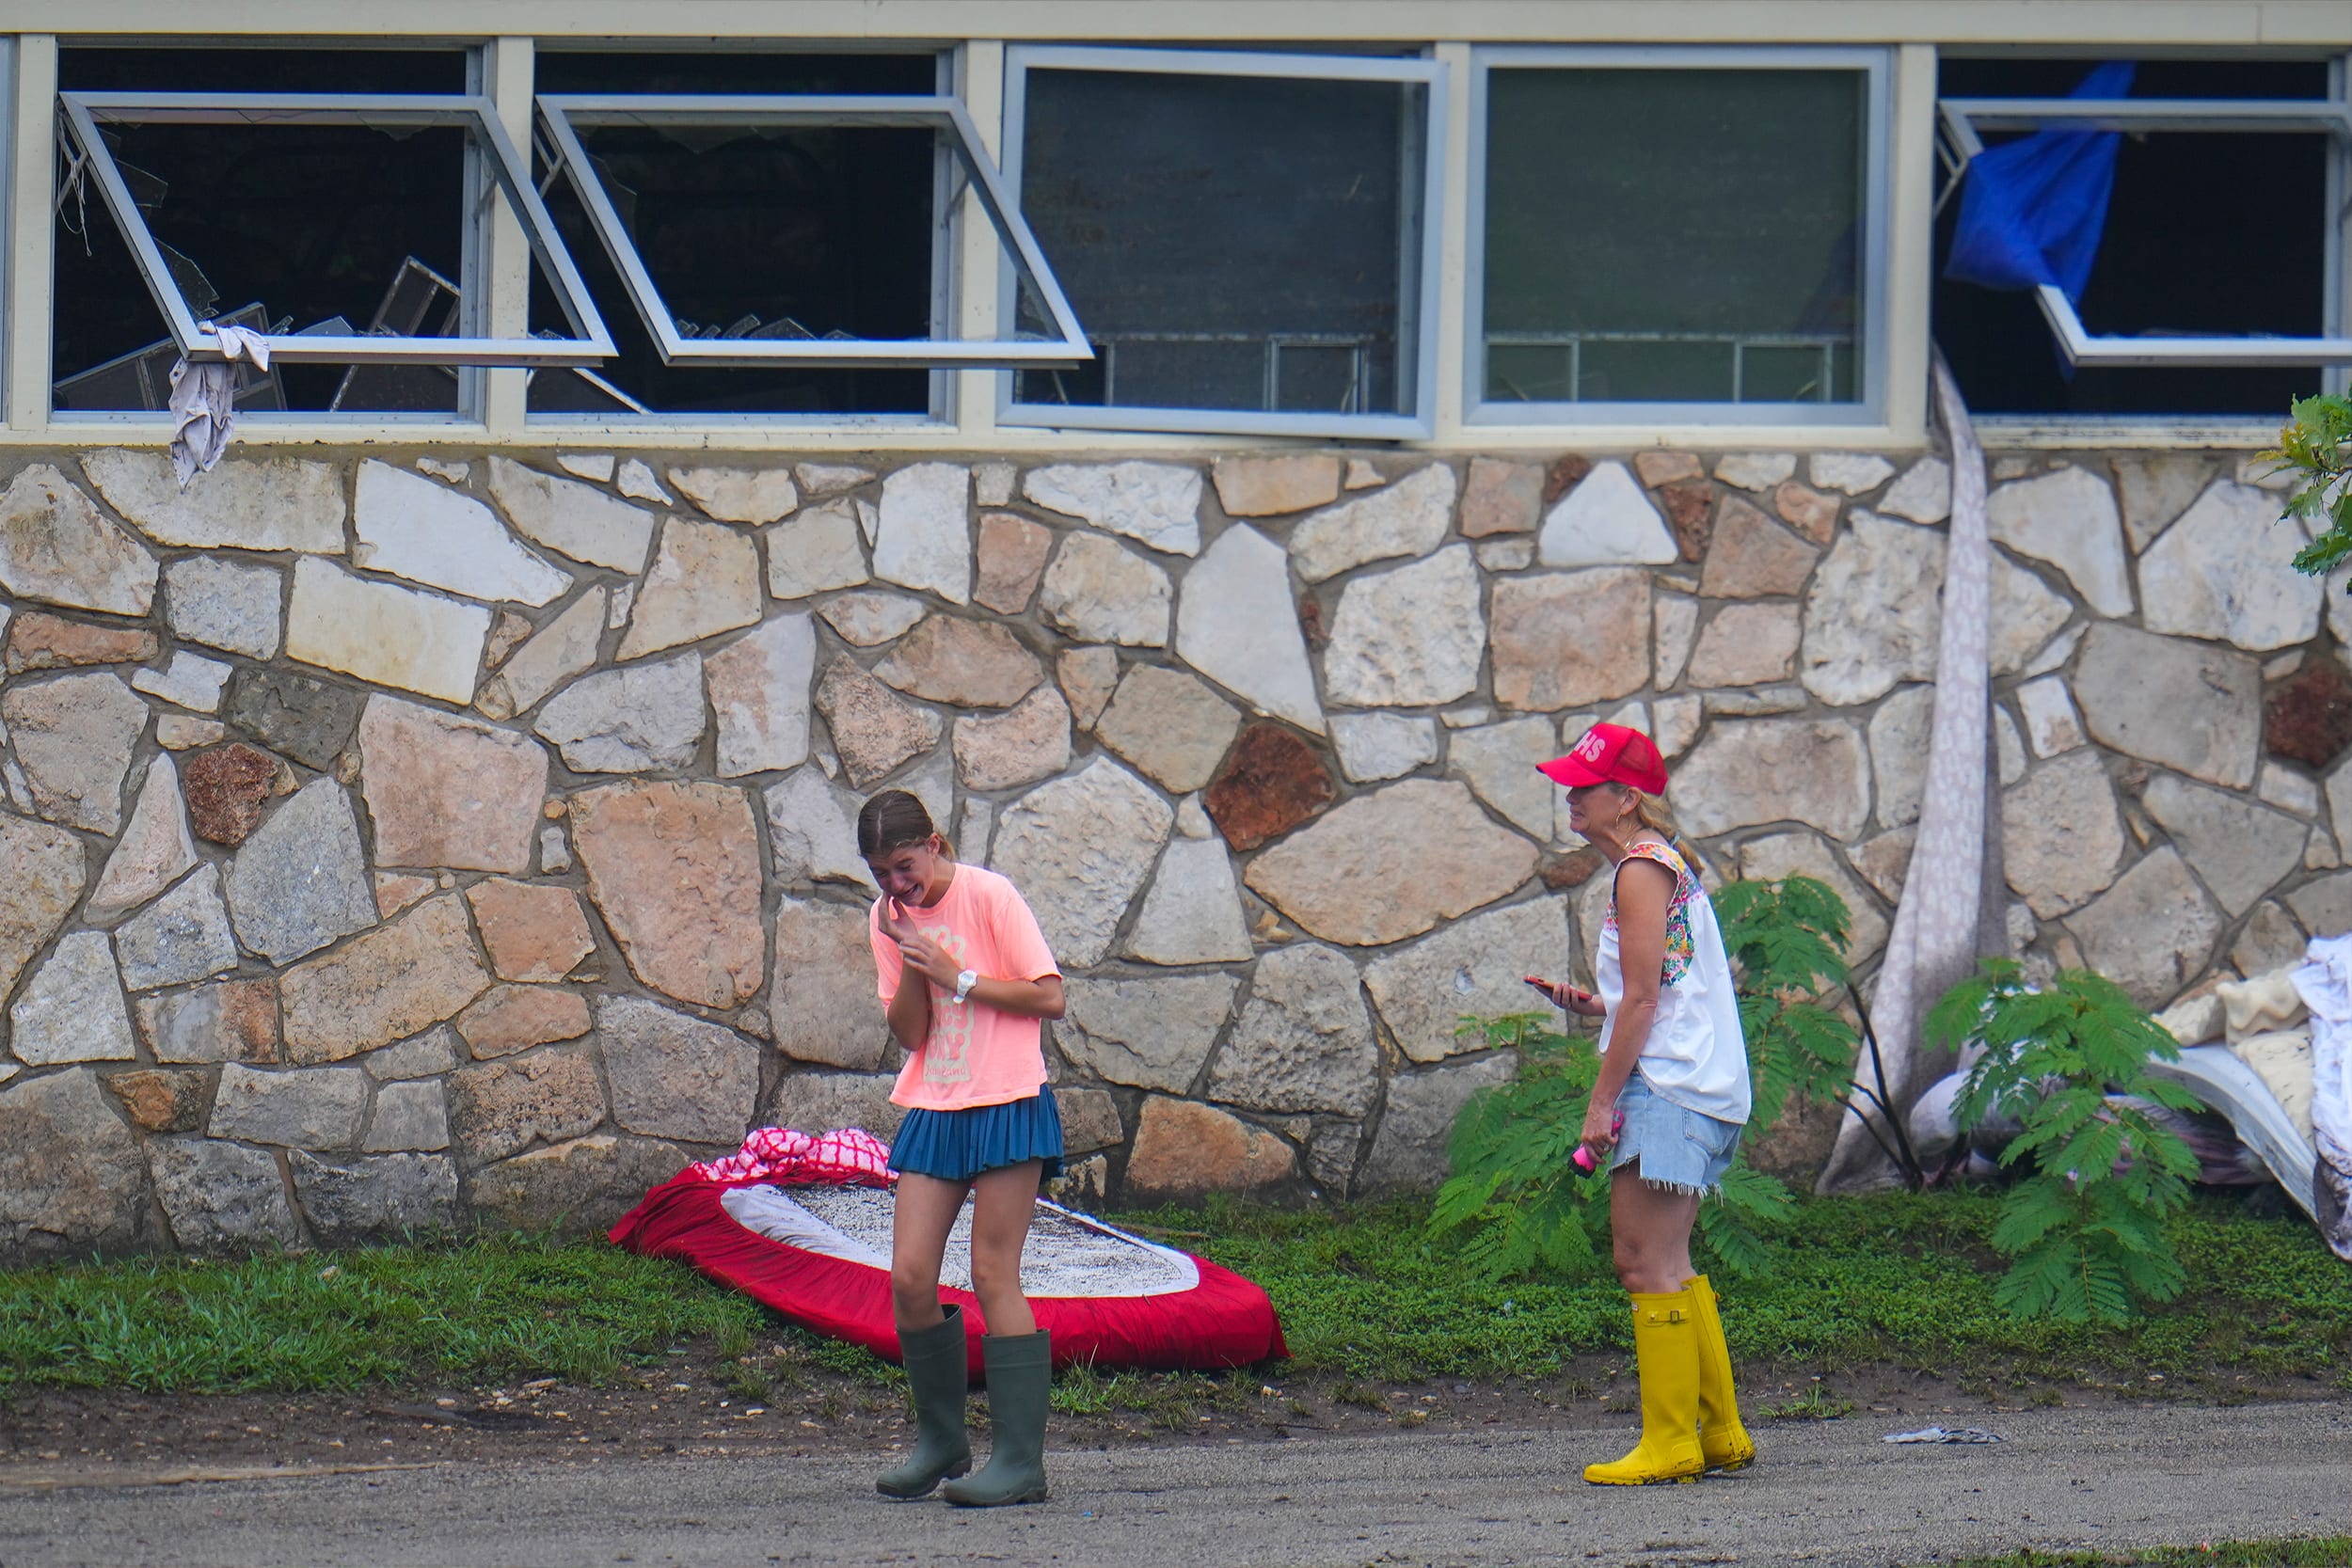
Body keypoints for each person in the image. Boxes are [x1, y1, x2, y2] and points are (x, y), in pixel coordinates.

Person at [1534, 723, 1755, 1486]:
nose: (1571, 796)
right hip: (1700, 1082)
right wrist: (1600, 1004)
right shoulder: (1663, 862)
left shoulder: (1637, 870)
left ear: (1627, 798)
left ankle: (1669, 1444)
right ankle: (1718, 1432)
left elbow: (1648, 1001)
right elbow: (1658, 991)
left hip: (1668, 1088)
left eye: (1585, 787)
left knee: (1641, 1259)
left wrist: (1601, 1104)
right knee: (1672, 1260)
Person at [858, 789, 1067, 1508]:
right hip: (937, 1103)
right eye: (882, 872)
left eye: (906, 866)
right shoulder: (886, 918)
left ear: (937, 843)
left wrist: (960, 975)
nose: (896, 884)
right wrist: (915, 956)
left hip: (1009, 1099)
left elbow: (1049, 997)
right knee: (910, 1277)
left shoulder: (990, 896)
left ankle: (1019, 1464)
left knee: (991, 1272)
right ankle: (943, 1441)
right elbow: (912, 1034)